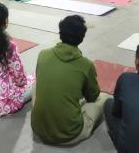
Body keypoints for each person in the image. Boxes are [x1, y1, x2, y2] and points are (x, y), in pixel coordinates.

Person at [31, 15, 109, 145]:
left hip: (39, 130)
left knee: (36, 85)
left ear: (60, 33)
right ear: (82, 38)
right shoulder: (86, 65)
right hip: (70, 134)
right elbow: (92, 97)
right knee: (104, 98)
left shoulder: (43, 54)